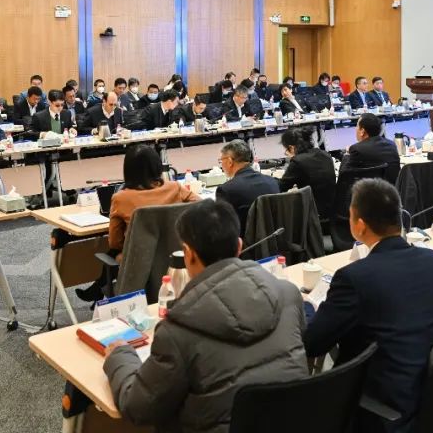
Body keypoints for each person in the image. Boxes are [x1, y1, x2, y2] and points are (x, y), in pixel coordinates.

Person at [103, 200, 307, 433]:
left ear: (188, 254)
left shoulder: (178, 330)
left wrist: (119, 356)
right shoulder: (289, 294)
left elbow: (138, 407)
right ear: (239, 246)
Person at [304, 179, 433, 431]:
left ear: (359, 225)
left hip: (380, 405)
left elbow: (313, 343)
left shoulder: (355, 278)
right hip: (431, 393)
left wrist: (306, 308)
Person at [105, 146, 200, 256]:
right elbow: (201, 206)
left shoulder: (120, 198)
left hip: (140, 261)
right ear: (158, 166)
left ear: (127, 170)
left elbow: (115, 243)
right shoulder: (175, 188)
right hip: (177, 256)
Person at [216, 140, 279, 232]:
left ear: (230, 161)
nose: (221, 165)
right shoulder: (272, 181)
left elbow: (222, 226)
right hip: (275, 236)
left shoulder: (226, 190)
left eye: (221, 161)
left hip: (245, 239)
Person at [278, 127, 336, 217]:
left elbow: (281, 187)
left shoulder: (297, 161)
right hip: (332, 210)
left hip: (312, 212)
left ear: (291, 148)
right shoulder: (325, 154)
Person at [339, 112, 400, 183]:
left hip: (367, 189)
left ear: (362, 131)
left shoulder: (356, 149)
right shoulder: (392, 145)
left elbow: (343, 175)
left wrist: (347, 154)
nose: (356, 129)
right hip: (391, 188)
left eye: (357, 126)